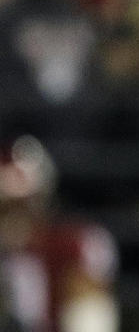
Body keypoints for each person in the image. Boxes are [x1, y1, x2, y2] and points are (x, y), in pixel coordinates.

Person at [0, 135, 119, 332]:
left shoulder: (71, 244)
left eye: (20, 208)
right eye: (4, 209)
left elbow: (90, 317)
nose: (12, 222)